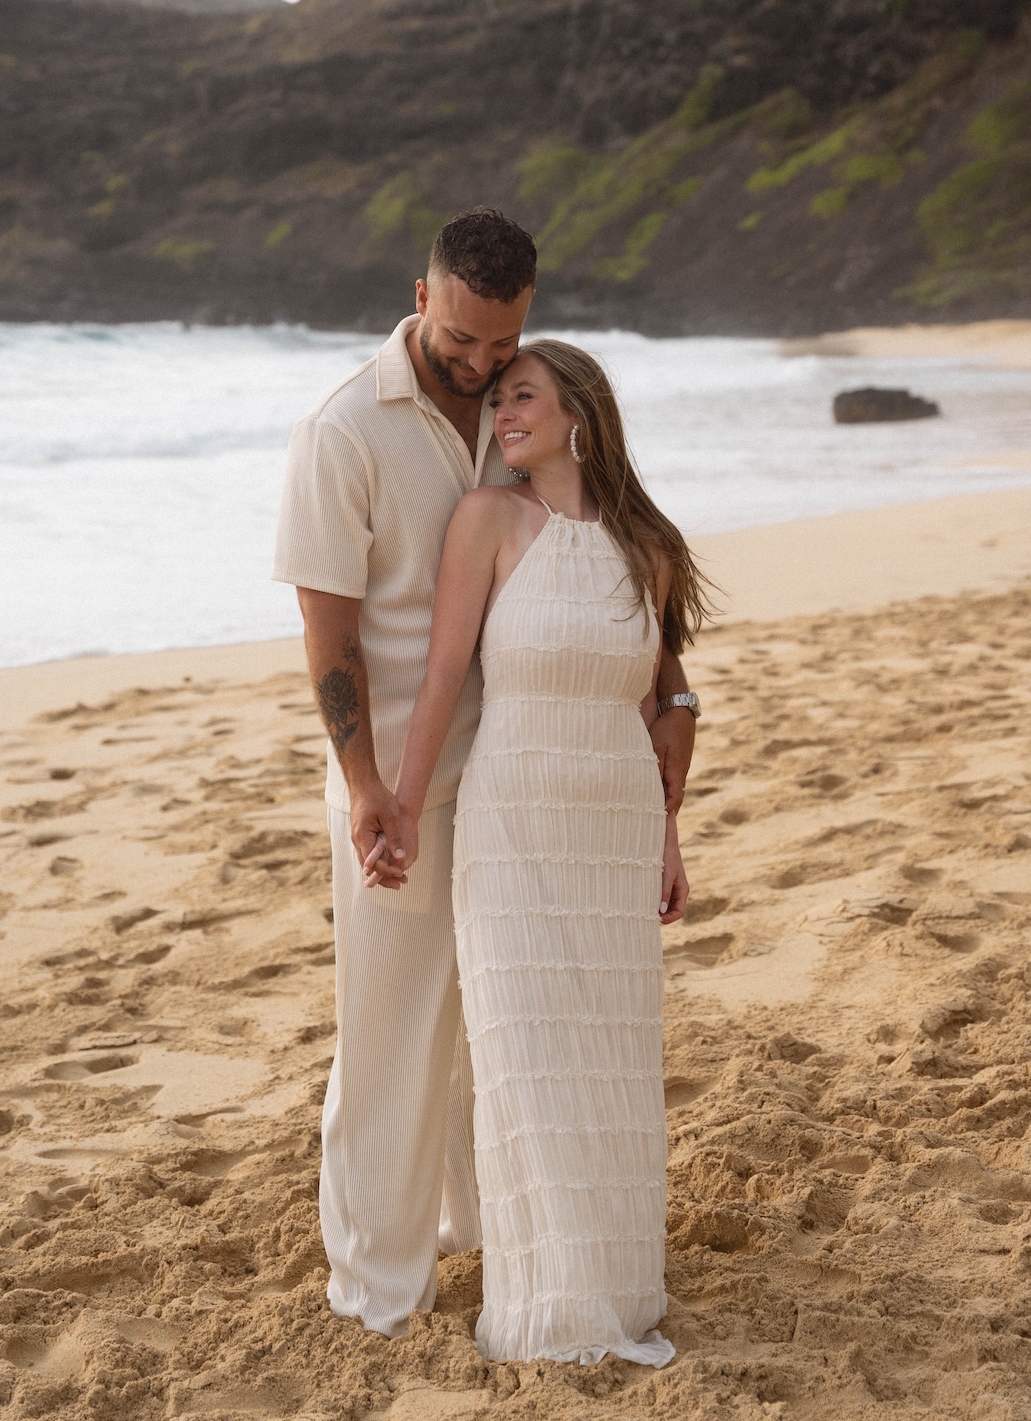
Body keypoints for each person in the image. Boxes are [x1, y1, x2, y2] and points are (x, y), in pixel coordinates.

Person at [274, 209, 697, 1340]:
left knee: (496, 1033)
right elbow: (330, 634)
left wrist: (673, 717)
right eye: (459, 340)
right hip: (398, 781)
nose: (477, 365)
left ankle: (482, 1236)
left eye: (500, 348)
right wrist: (366, 785)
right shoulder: (345, 431)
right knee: (392, 1038)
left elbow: (621, 585)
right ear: (420, 294)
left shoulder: (519, 411)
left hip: (527, 780)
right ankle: (377, 1292)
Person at [389, 339, 708, 1365]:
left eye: (521, 397)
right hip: (512, 812)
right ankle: (541, 1297)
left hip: (611, 821)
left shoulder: (644, 547)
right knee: (522, 1051)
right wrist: (395, 802)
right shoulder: (486, 521)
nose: (503, 415)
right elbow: (442, 676)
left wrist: (667, 834)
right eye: (498, 402)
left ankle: (612, 1287)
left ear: (579, 414)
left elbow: (660, 701)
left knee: (606, 1051)